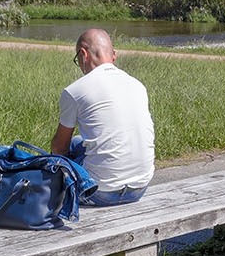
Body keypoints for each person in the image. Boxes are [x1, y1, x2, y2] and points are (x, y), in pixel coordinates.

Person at [51, 28, 155, 205]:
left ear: (84, 55)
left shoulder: (75, 91)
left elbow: (59, 149)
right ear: (113, 56)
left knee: (65, 153)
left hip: (100, 193)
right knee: (78, 142)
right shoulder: (138, 85)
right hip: (140, 188)